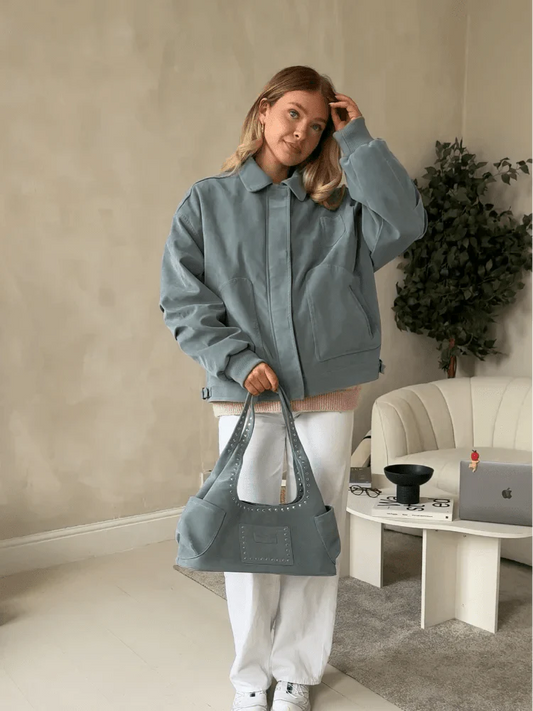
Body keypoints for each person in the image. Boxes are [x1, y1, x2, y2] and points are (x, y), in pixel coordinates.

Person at [159, 65, 428, 711]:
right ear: (263, 110)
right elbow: (182, 299)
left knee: (316, 531)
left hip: (328, 391)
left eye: (316, 124)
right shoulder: (208, 201)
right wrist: (234, 357)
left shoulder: (342, 209)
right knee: (248, 535)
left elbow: (406, 220)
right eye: (292, 114)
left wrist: (357, 138)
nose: (302, 131)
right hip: (247, 395)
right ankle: (251, 676)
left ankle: (297, 670)